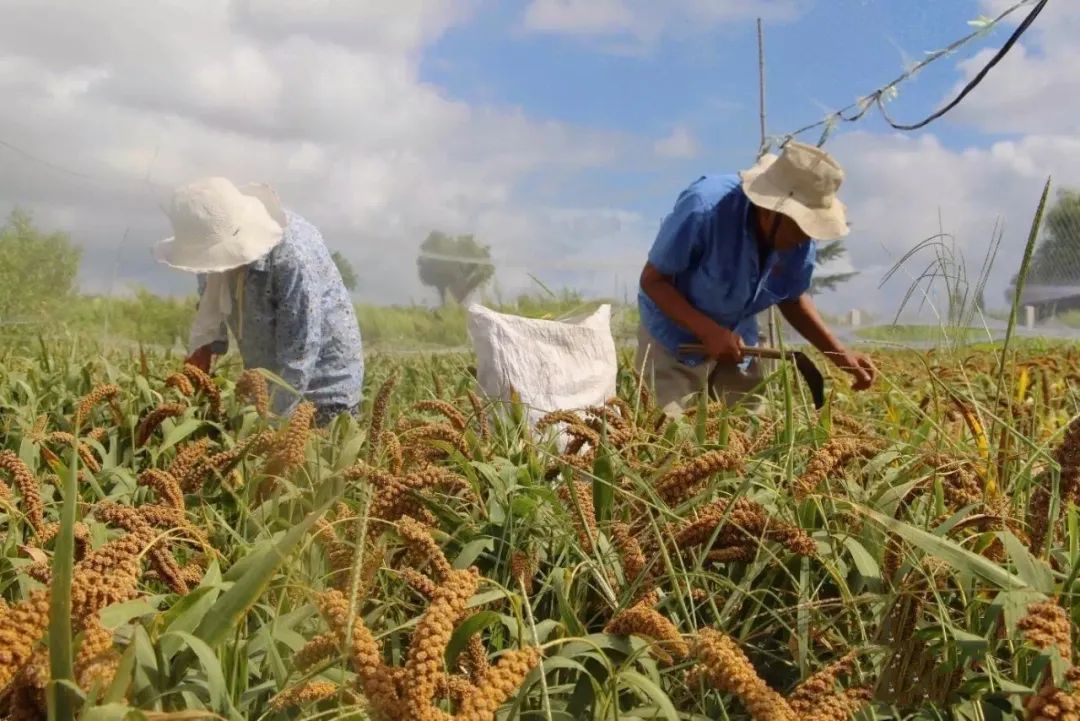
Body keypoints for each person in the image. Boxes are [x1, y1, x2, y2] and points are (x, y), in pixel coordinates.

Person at [636, 141, 875, 415]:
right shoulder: (704, 208)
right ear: (771, 211)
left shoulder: (799, 237)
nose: (803, 240)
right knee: (670, 432)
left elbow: (793, 298)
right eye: (800, 227)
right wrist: (708, 331)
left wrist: (840, 356)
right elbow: (653, 281)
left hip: (738, 340)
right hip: (674, 338)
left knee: (749, 433)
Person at [154, 177, 364, 425]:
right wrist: (193, 383)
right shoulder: (209, 253)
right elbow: (209, 318)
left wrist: (269, 424)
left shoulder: (292, 256)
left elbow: (301, 351)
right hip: (267, 384)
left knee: (310, 458)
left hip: (322, 389)